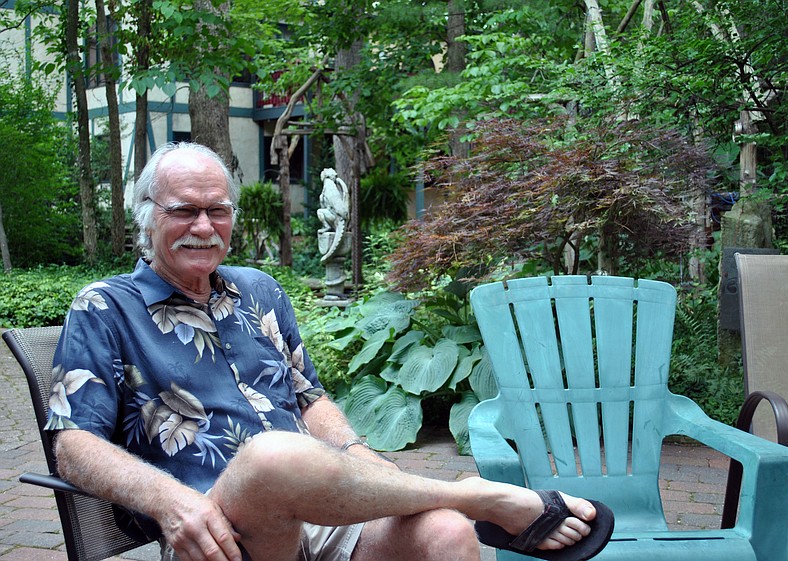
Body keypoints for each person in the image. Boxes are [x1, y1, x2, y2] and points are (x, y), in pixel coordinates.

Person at [46, 142, 606, 561]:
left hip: (322, 507)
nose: (203, 226)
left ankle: (464, 508)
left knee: (446, 534)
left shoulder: (259, 291)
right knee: (274, 456)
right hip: (218, 526)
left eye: (217, 210)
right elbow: (73, 445)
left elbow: (308, 398)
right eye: (183, 211)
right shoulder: (104, 308)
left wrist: (360, 459)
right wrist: (172, 503)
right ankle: (477, 496)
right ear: (147, 217)